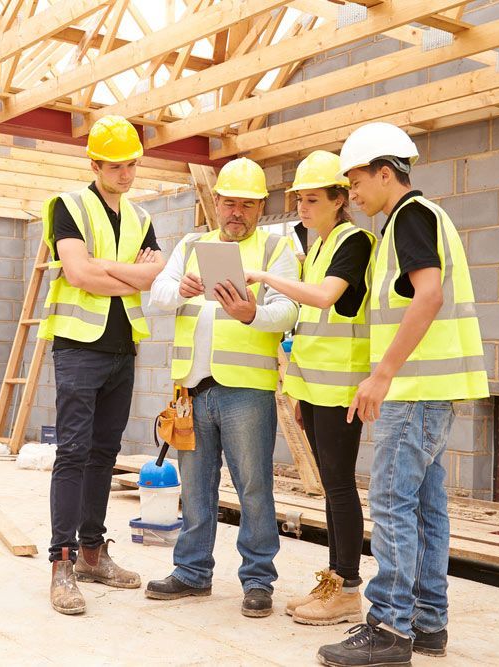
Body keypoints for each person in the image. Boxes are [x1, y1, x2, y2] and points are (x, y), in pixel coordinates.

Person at [316, 123, 489, 666]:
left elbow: (429, 295)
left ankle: (391, 628)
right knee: (425, 509)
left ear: (385, 173)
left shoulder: (411, 217)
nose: (354, 193)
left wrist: (383, 374)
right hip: (431, 390)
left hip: (413, 391)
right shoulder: (418, 220)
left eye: (358, 180)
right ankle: (428, 623)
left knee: (392, 504)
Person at [145, 157, 299, 618]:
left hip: (246, 390)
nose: (236, 212)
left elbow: (290, 310)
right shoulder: (193, 244)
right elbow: (158, 295)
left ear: (260, 207)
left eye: (246, 206)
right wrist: (183, 289)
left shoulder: (276, 249)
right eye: (229, 203)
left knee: (254, 488)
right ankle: (192, 573)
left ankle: (257, 581)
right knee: (195, 488)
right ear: (217, 202)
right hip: (192, 388)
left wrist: (254, 313)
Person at [38, 115, 165, 616]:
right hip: (78, 345)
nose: (127, 175)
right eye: (117, 166)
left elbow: (155, 277)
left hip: (121, 348)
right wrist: (128, 273)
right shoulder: (68, 206)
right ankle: (61, 562)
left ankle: (92, 551)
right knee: (71, 452)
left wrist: (107, 270)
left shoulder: (140, 216)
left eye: (133, 165)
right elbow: (77, 272)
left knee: (103, 454)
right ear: (94, 163)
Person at [245, 150, 374, 626]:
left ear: (340, 199)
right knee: (330, 487)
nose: (302, 207)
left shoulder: (354, 242)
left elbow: (323, 298)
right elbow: (308, 325)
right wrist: (297, 391)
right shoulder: (316, 245)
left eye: (313, 199)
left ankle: (347, 589)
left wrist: (263, 275)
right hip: (316, 387)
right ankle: (333, 581)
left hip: (342, 387)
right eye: (299, 199)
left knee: (340, 487)